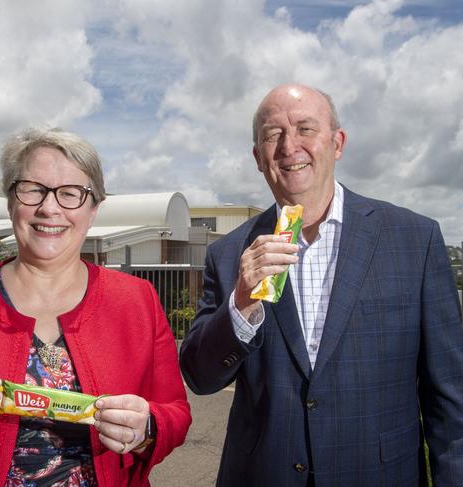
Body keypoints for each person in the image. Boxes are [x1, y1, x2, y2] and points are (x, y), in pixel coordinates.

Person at [180, 83, 463, 486]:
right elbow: (201, 378)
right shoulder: (229, 254)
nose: (288, 146)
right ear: (258, 158)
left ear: (338, 142)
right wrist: (241, 305)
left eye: (305, 129)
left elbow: (451, 399)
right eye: (272, 135)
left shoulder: (414, 240)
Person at [0, 127, 191, 486]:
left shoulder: (138, 300)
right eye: (32, 190)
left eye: (70, 194)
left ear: (93, 209)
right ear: (11, 200)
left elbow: (176, 414)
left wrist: (147, 429)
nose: (49, 208)